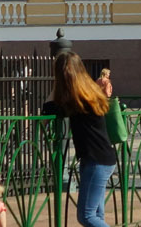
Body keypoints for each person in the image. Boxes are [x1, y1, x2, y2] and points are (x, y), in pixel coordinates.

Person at [44, 51, 117, 227]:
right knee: (97, 215)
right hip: (103, 158)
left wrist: (57, 85)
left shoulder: (74, 100)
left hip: (95, 161)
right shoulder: (90, 93)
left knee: (86, 216)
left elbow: (46, 111)